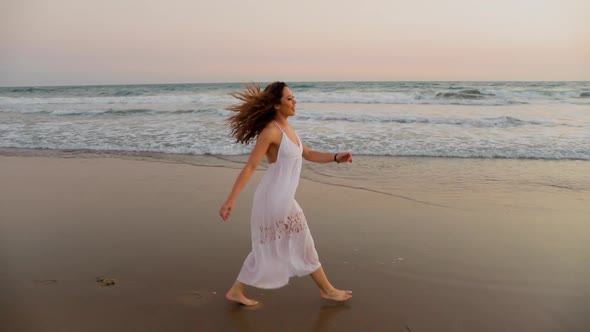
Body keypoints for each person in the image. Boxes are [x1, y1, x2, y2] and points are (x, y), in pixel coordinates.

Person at [219, 82, 353, 306]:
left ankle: (236, 290)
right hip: (274, 198)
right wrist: (231, 199)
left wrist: (336, 157)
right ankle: (327, 290)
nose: (294, 101)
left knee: (268, 245)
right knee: (299, 241)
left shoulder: (289, 129)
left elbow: (308, 153)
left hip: (282, 198)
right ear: (276, 104)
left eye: (293, 97)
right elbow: (251, 166)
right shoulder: (271, 132)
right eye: (289, 98)